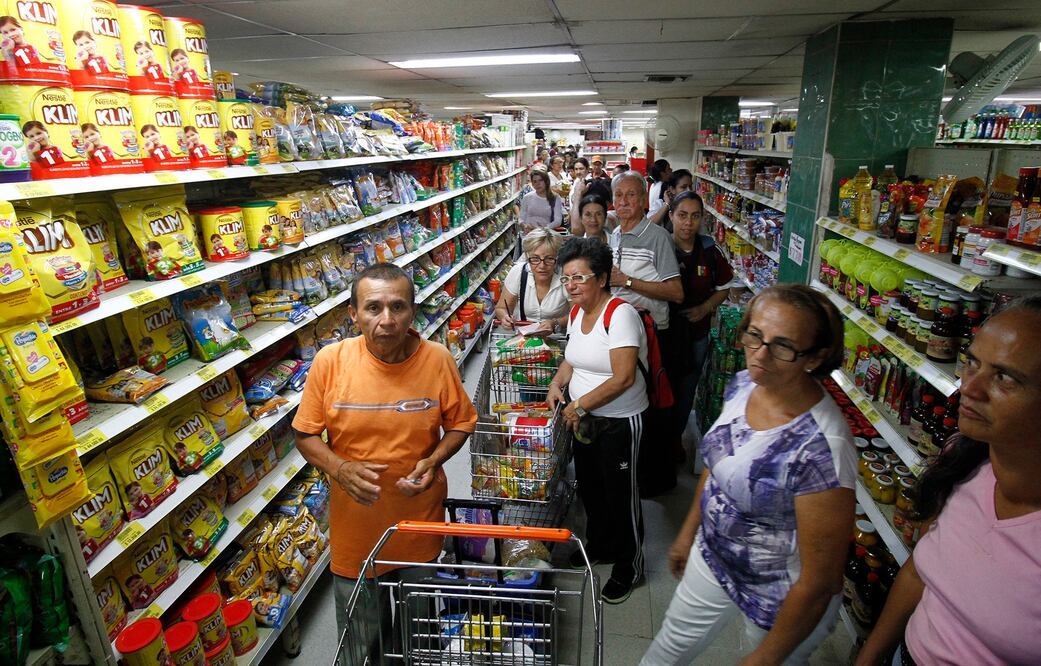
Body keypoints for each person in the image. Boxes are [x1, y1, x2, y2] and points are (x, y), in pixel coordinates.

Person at [642, 285, 855, 665]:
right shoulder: (746, 384)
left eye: (783, 345)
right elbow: (720, 463)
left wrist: (765, 658)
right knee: (665, 652)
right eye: (754, 335)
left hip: (782, 592)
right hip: (716, 556)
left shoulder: (823, 449)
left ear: (815, 357)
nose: (760, 354)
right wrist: (689, 532)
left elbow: (820, 580)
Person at [854, 296, 1041, 666]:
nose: (968, 388)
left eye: (1005, 377)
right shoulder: (962, 459)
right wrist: (870, 656)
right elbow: (921, 571)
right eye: (972, 363)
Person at [293, 263, 478, 635]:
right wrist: (340, 469)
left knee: (418, 636)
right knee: (361, 643)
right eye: (373, 307)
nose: (387, 319)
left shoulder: (437, 359)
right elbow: (305, 435)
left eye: (398, 307)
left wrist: (435, 458)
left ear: (413, 311)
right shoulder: (330, 363)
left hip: (419, 526)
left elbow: (461, 422)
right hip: (355, 533)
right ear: (354, 314)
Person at [547, 237, 648, 604]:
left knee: (622, 496)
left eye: (579, 278)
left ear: (602, 279)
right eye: (566, 278)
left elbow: (624, 377)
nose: (570, 286)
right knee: (591, 488)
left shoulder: (620, 314)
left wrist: (580, 405)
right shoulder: (576, 312)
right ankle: (601, 545)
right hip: (584, 419)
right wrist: (558, 385)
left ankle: (629, 563)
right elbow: (573, 358)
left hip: (619, 422)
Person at [608, 171, 683, 496]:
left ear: (643, 198)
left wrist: (626, 282)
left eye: (631, 195)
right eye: (619, 196)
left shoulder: (658, 237)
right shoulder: (615, 234)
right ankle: (633, 473)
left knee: (654, 409)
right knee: (632, 405)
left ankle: (655, 481)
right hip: (624, 335)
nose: (624, 202)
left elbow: (676, 292)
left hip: (653, 336)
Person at [664, 192, 734, 460]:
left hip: (696, 334)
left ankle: (674, 439)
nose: (688, 223)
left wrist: (705, 308)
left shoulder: (708, 250)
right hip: (664, 335)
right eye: (682, 215)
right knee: (662, 386)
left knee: (687, 389)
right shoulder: (660, 246)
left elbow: (724, 288)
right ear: (671, 216)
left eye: (695, 216)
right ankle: (658, 438)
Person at [494, 228, 569, 335]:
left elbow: (579, 312)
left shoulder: (565, 275)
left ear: (557, 257)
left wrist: (556, 322)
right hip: (525, 339)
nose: (542, 266)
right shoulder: (519, 272)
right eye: (535, 259)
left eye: (549, 259)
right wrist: (505, 318)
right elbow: (501, 308)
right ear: (527, 256)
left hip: (557, 337)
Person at [647, 159, 673, 226]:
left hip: (653, 216)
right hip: (659, 222)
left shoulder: (653, 185)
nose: (671, 170)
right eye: (668, 168)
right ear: (662, 173)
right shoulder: (663, 186)